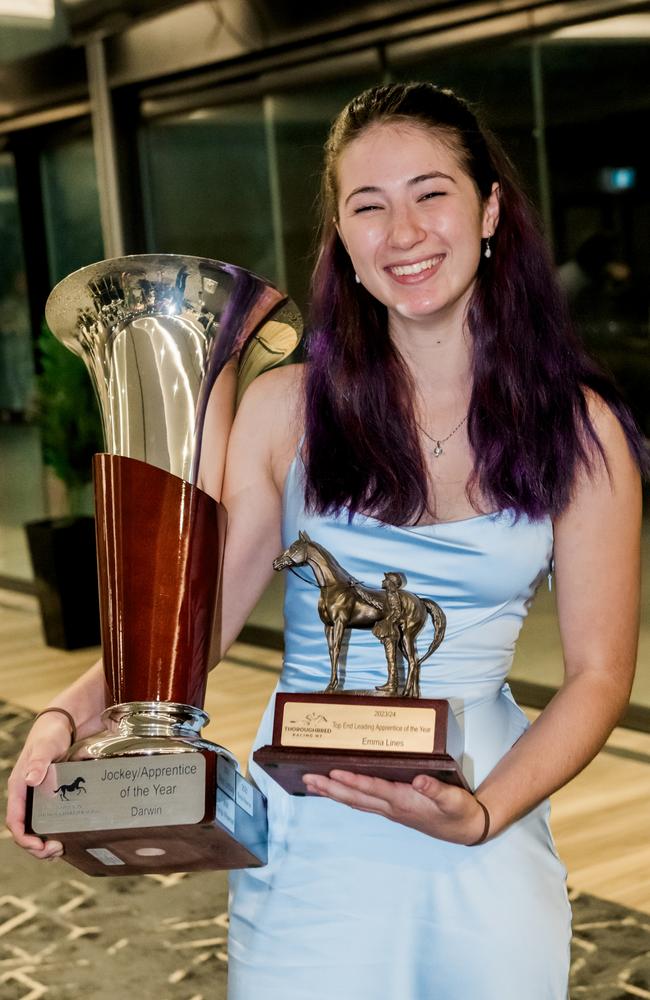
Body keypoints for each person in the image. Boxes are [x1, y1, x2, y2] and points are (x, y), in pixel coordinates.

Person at [6, 83, 646, 999]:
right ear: (342, 236)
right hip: (310, 824)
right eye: (368, 206)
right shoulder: (284, 410)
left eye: (432, 193)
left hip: (482, 808)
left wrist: (483, 813)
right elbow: (195, 623)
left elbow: (597, 675)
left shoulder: (582, 429)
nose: (404, 232)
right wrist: (65, 717)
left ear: (490, 208)